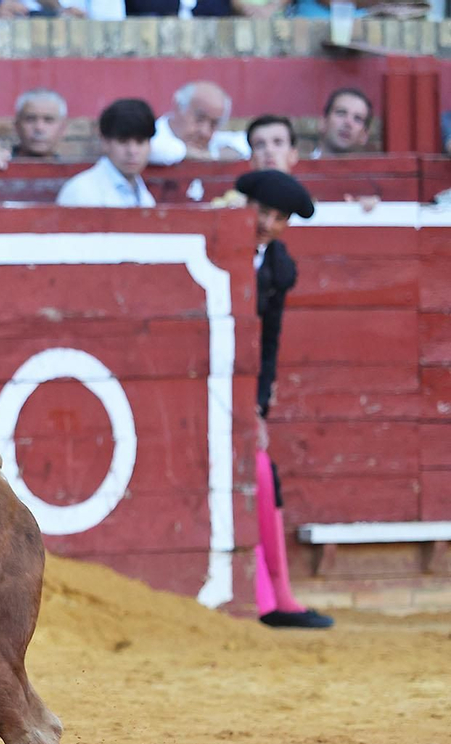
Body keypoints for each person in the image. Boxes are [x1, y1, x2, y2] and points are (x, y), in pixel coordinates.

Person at [236, 170, 334, 630]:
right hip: (202, 385)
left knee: (262, 473)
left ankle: (278, 596)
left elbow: (267, 344)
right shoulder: (217, 243)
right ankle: (263, 597)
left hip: (240, 390)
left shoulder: (278, 267)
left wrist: (257, 409)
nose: (267, 222)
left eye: (279, 218)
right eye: (263, 210)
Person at [55, 98, 156, 208]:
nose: (132, 151)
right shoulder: (80, 191)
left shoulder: (146, 197)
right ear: (105, 142)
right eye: (122, 141)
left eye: (140, 142)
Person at [149, 81, 250, 166]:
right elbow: (151, 149)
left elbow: (247, 142)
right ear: (178, 107)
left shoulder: (216, 141)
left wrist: (209, 155)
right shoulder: (152, 133)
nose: (204, 132)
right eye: (199, 119)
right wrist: (189, 153)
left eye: (214, 124)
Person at [0, 89, 70, 171]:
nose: (39, 128)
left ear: (62, 128)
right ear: (17, 126)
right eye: (30, 119)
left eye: (48, 120)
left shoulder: (73, 176)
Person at [312, 88, 373, 158]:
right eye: (341, 113)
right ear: (323, 123)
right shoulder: (298, 167)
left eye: (357, 118)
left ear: (364, 135)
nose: (348, 123)